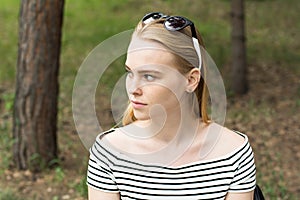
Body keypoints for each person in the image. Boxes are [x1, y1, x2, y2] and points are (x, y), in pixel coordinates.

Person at [87, 12, 256, 200]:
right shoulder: (109, 153)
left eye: (149, 76)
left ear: (191, 80)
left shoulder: (233, 153)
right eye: (130, 72)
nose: (133, 89)